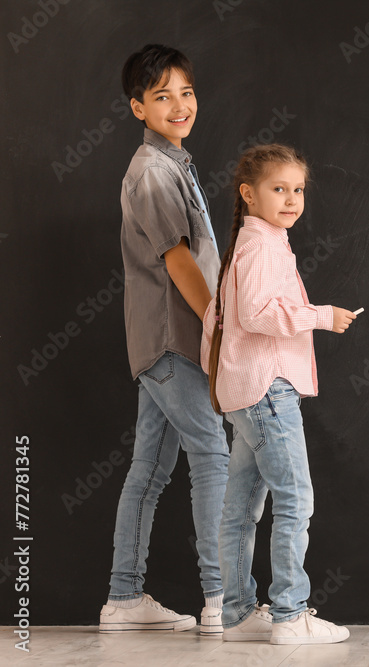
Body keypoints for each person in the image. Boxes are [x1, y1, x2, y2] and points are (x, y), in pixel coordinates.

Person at [99, 44, 230, 636]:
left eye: (186, 92)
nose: (179, 105)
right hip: (173, 338)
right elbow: (177, 259)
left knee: (149, 469)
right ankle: (222, 597)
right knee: (213, 456)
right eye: (161, 96)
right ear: (137, 107)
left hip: (163, 341)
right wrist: (217, 325)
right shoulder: (153, 171)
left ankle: (124, 599)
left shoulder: (173, 161)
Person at [202, 143, 356, 644]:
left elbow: (217, 321)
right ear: (249, 193)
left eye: (298, 190)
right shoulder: (262, 247)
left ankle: (238, 615)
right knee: (295, 500)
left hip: (248, 390)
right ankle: (290, 615)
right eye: (278, 189)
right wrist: (322, 316)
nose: (291, 199)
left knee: (240, 508)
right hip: (268, 391)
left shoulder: (253, 244)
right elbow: (256, 315)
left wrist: (226, 379)